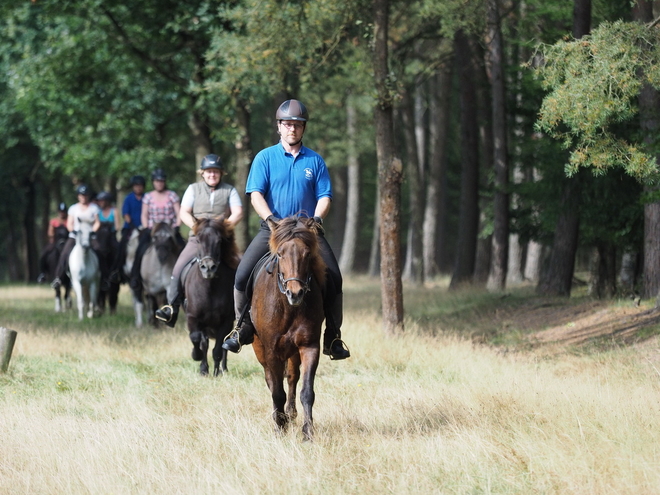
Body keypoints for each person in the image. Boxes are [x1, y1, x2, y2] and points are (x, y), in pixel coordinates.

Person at [222, 99, 350, 360]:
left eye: (298, 125)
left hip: (307, 232)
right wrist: (270, 219)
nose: (292, 129)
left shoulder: (315, 161)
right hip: (273, 229)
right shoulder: (264, 157)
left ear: (303, 129)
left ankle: (333, 337)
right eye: (288, 124)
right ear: (279, 127)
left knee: (334, 278)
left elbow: (325, 195)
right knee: (242, 275)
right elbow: (255, 194)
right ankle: (241, 327)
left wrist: (315, 219)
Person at [155, 154, 243, 327]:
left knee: (241, 268)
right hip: (198, 240)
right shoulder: (193, 189)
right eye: (209, 172)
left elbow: (238, 212)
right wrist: (197, 228)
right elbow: (184, 212)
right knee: (179, 267)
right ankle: (171, 307)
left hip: (221, 241)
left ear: (221, 173)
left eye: (216, 172)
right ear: (202, 173)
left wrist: (222, 229)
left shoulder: (229, 190)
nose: (212, 175)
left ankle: (243, 312)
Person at [129, 168, 182, 299]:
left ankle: (184, 278)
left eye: (162, 181)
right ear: (153, 182)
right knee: (140, 250)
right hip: (153, 230)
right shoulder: (148, 197)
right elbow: (144, 215)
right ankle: (135, 278)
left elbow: (179, 213)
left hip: (169, 230)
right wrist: (148, 227)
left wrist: (175, 226)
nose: (159, 183)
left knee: (183, 248)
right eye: (157, 181)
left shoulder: (172, 195)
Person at [51, 184, 101, 289]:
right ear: (78, 196)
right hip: (76, 236)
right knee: (64, 253)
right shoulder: (73, 208)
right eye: (81, 195)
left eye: (86, 195)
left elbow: (97, 223)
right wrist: (73, 231)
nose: (84, 197)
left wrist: (92, 231)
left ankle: (103, 276)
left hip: (89, 236)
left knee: (99, 251)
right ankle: (58, 278)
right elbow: (70, 223)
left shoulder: (94, 208)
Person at [110, 175, 145, 283]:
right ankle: (116, 271)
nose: (138, 188)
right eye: (136, 186)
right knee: (122, 246)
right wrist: (133, 225)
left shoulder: (147, 198)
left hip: (145, 228)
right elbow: (126, 214)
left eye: (140, 186)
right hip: (130, 228)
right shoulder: (129, 198)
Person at [37, 202, 69, 283]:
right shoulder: (54, 221)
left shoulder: (69, 221)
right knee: (44, 254)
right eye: (61, 211)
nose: (62, 213)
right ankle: (43, 273)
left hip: (67, 242)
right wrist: (52, 235)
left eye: (63, 211)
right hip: (56, 242)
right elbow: (50, 233)